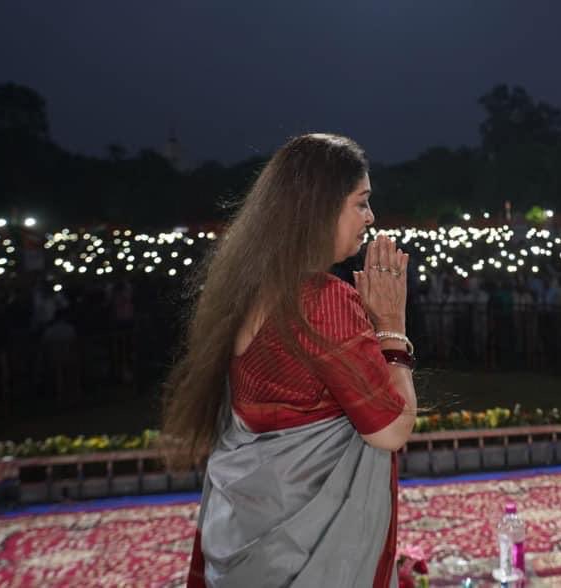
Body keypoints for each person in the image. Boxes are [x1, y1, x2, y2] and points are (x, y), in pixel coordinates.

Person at [161, 133, 418, 587]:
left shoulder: (247, 289)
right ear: (320, 209)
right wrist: (392, 329)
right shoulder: (321, 301)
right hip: (311, 562)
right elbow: (390, 429)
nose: (370, 217)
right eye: (361, 203)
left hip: (248, 541)